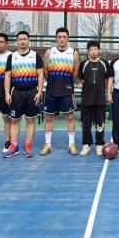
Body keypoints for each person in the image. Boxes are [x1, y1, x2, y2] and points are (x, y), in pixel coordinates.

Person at [3, 31, 44, 158]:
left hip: (32, 92)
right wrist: (7, 93)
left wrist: (39, 92)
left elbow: (41, 75)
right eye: (20, 39)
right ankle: (14, 146)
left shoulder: (36, 56)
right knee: (15, 120)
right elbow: (7, 76)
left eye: (24, 39)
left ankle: (28, 146)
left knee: (30, 120)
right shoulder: (11, 57)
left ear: (28, 40)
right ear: (17, 41)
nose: (22, 41)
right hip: (16, 93)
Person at [42, 27, 80, 155]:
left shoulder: (73, 52)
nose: (62, 39)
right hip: (51, 90)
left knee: (69, 117)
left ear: (68, 38)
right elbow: (45, 70)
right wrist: (54, 81)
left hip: (67, 91)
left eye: (64, 37)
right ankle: (47, 145)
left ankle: (71, 144)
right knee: (49, 117)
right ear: (56, 38)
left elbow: (76, 72)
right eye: (59, 37)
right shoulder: (49, 52)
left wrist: (67, 82)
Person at [78, 41, 110, 156]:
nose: (93, 51)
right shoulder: (84, 64)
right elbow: (81, 79)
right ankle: (86, 146)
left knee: (100, 124)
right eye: (91, 50)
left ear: (99, 50)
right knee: (86, 124)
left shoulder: (104, 63)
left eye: (95, 49)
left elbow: (106, 80)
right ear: (88, 51)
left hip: (100, 99)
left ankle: (99, 145)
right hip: (87, 99)